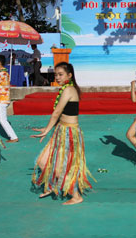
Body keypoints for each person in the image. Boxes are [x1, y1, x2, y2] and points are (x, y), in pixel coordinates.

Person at [31, 62, 94, 205]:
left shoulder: (69, 89)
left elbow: (57, 112)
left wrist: (46, 130)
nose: (57, 77)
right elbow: (60, 115)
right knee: (41, 161)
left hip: (69, 133)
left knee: (61, 169)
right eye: (56, 75)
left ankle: (76, 195)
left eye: (60, 75)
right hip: (60, 129)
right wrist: (49, 129)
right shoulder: (64, 89)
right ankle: (52, 186)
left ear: (69, 75)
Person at [0, 54, 19, 143]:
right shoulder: (5, 73)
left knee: (2, 120)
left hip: (2, 100)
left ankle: (13, 137)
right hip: (3, 98)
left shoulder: (0, 74)